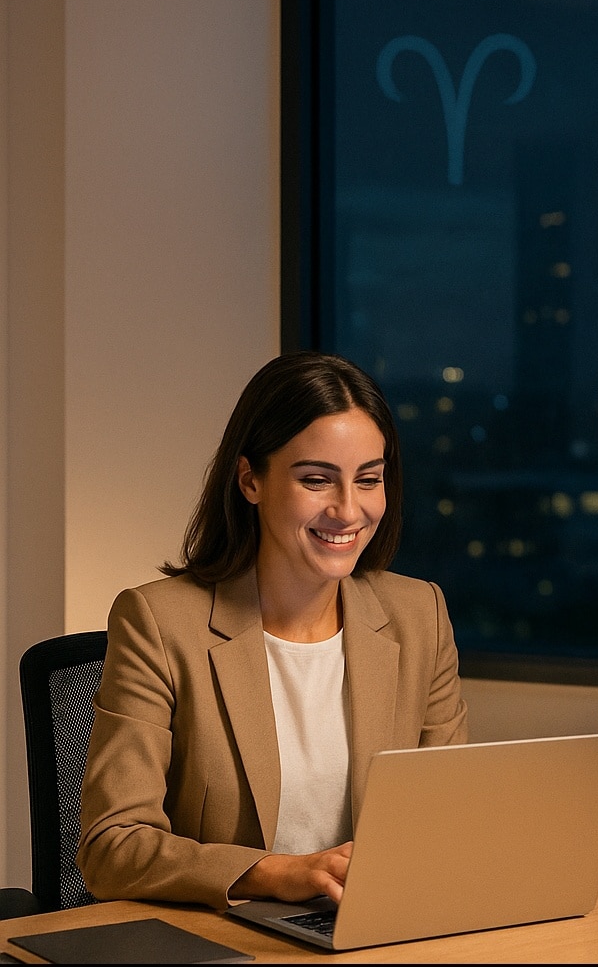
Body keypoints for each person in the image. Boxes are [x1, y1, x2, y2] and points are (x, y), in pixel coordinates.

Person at [78, 351, 470, 910]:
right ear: (250, 481)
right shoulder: (159, 625)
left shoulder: (419, 615)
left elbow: (448, 818)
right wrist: (272, 873)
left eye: (369, 480)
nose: (348, 510)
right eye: (316, 480)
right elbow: (111, 848)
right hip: (227, 938)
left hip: (373, 932)